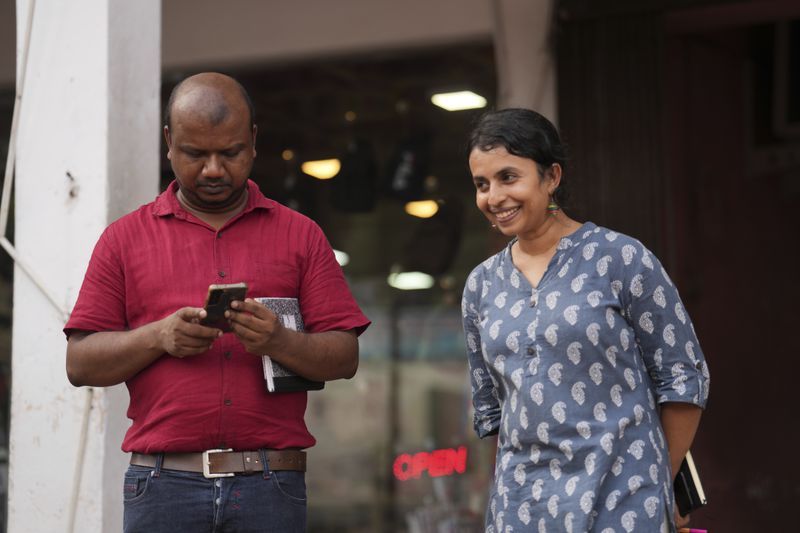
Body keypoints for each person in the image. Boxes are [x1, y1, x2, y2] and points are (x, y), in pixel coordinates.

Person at [64, 72, 370, 533]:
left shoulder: (300, 235)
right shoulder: (123, 240)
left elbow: (345, 357)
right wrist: (158, 336)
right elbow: (80, 364)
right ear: (169, 142)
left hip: (270, 484)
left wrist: (279, 340)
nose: (212, 169)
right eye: (194, 154)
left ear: (253, 141)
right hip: (162, 484)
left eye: (229, 153)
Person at [461, 108, 709, 533]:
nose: (493, 197)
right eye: (482, 184)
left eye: (508, 177)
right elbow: (496, 412)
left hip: (623, 503)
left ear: (551, 176)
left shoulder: (621, 259)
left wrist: (655, 487)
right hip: (522, 509)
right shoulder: (481, 286)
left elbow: (684, 379)